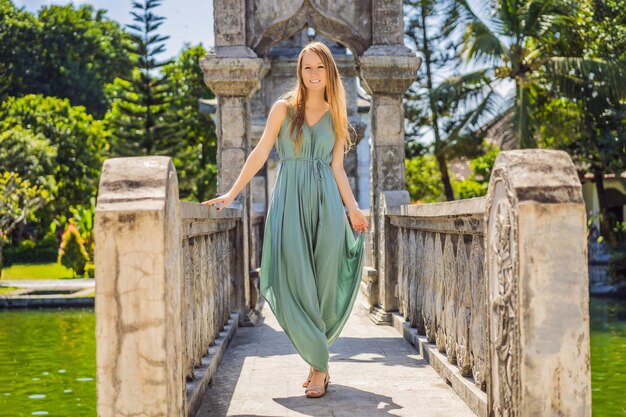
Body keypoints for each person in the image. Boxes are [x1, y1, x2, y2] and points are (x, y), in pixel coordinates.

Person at [202, 41, 369, 399]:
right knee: (296, 279)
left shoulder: (337, 115)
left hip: (326, 203)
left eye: (319, 67)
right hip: (289, 201)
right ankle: (319, 360)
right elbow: (261, 153)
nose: (313, 74)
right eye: (307, 67)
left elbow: (338, 168)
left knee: (323, 284)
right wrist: (232, 193)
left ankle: (318, 368)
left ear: (330, 72)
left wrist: (353, 209)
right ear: (300, 71)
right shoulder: (283, 108)